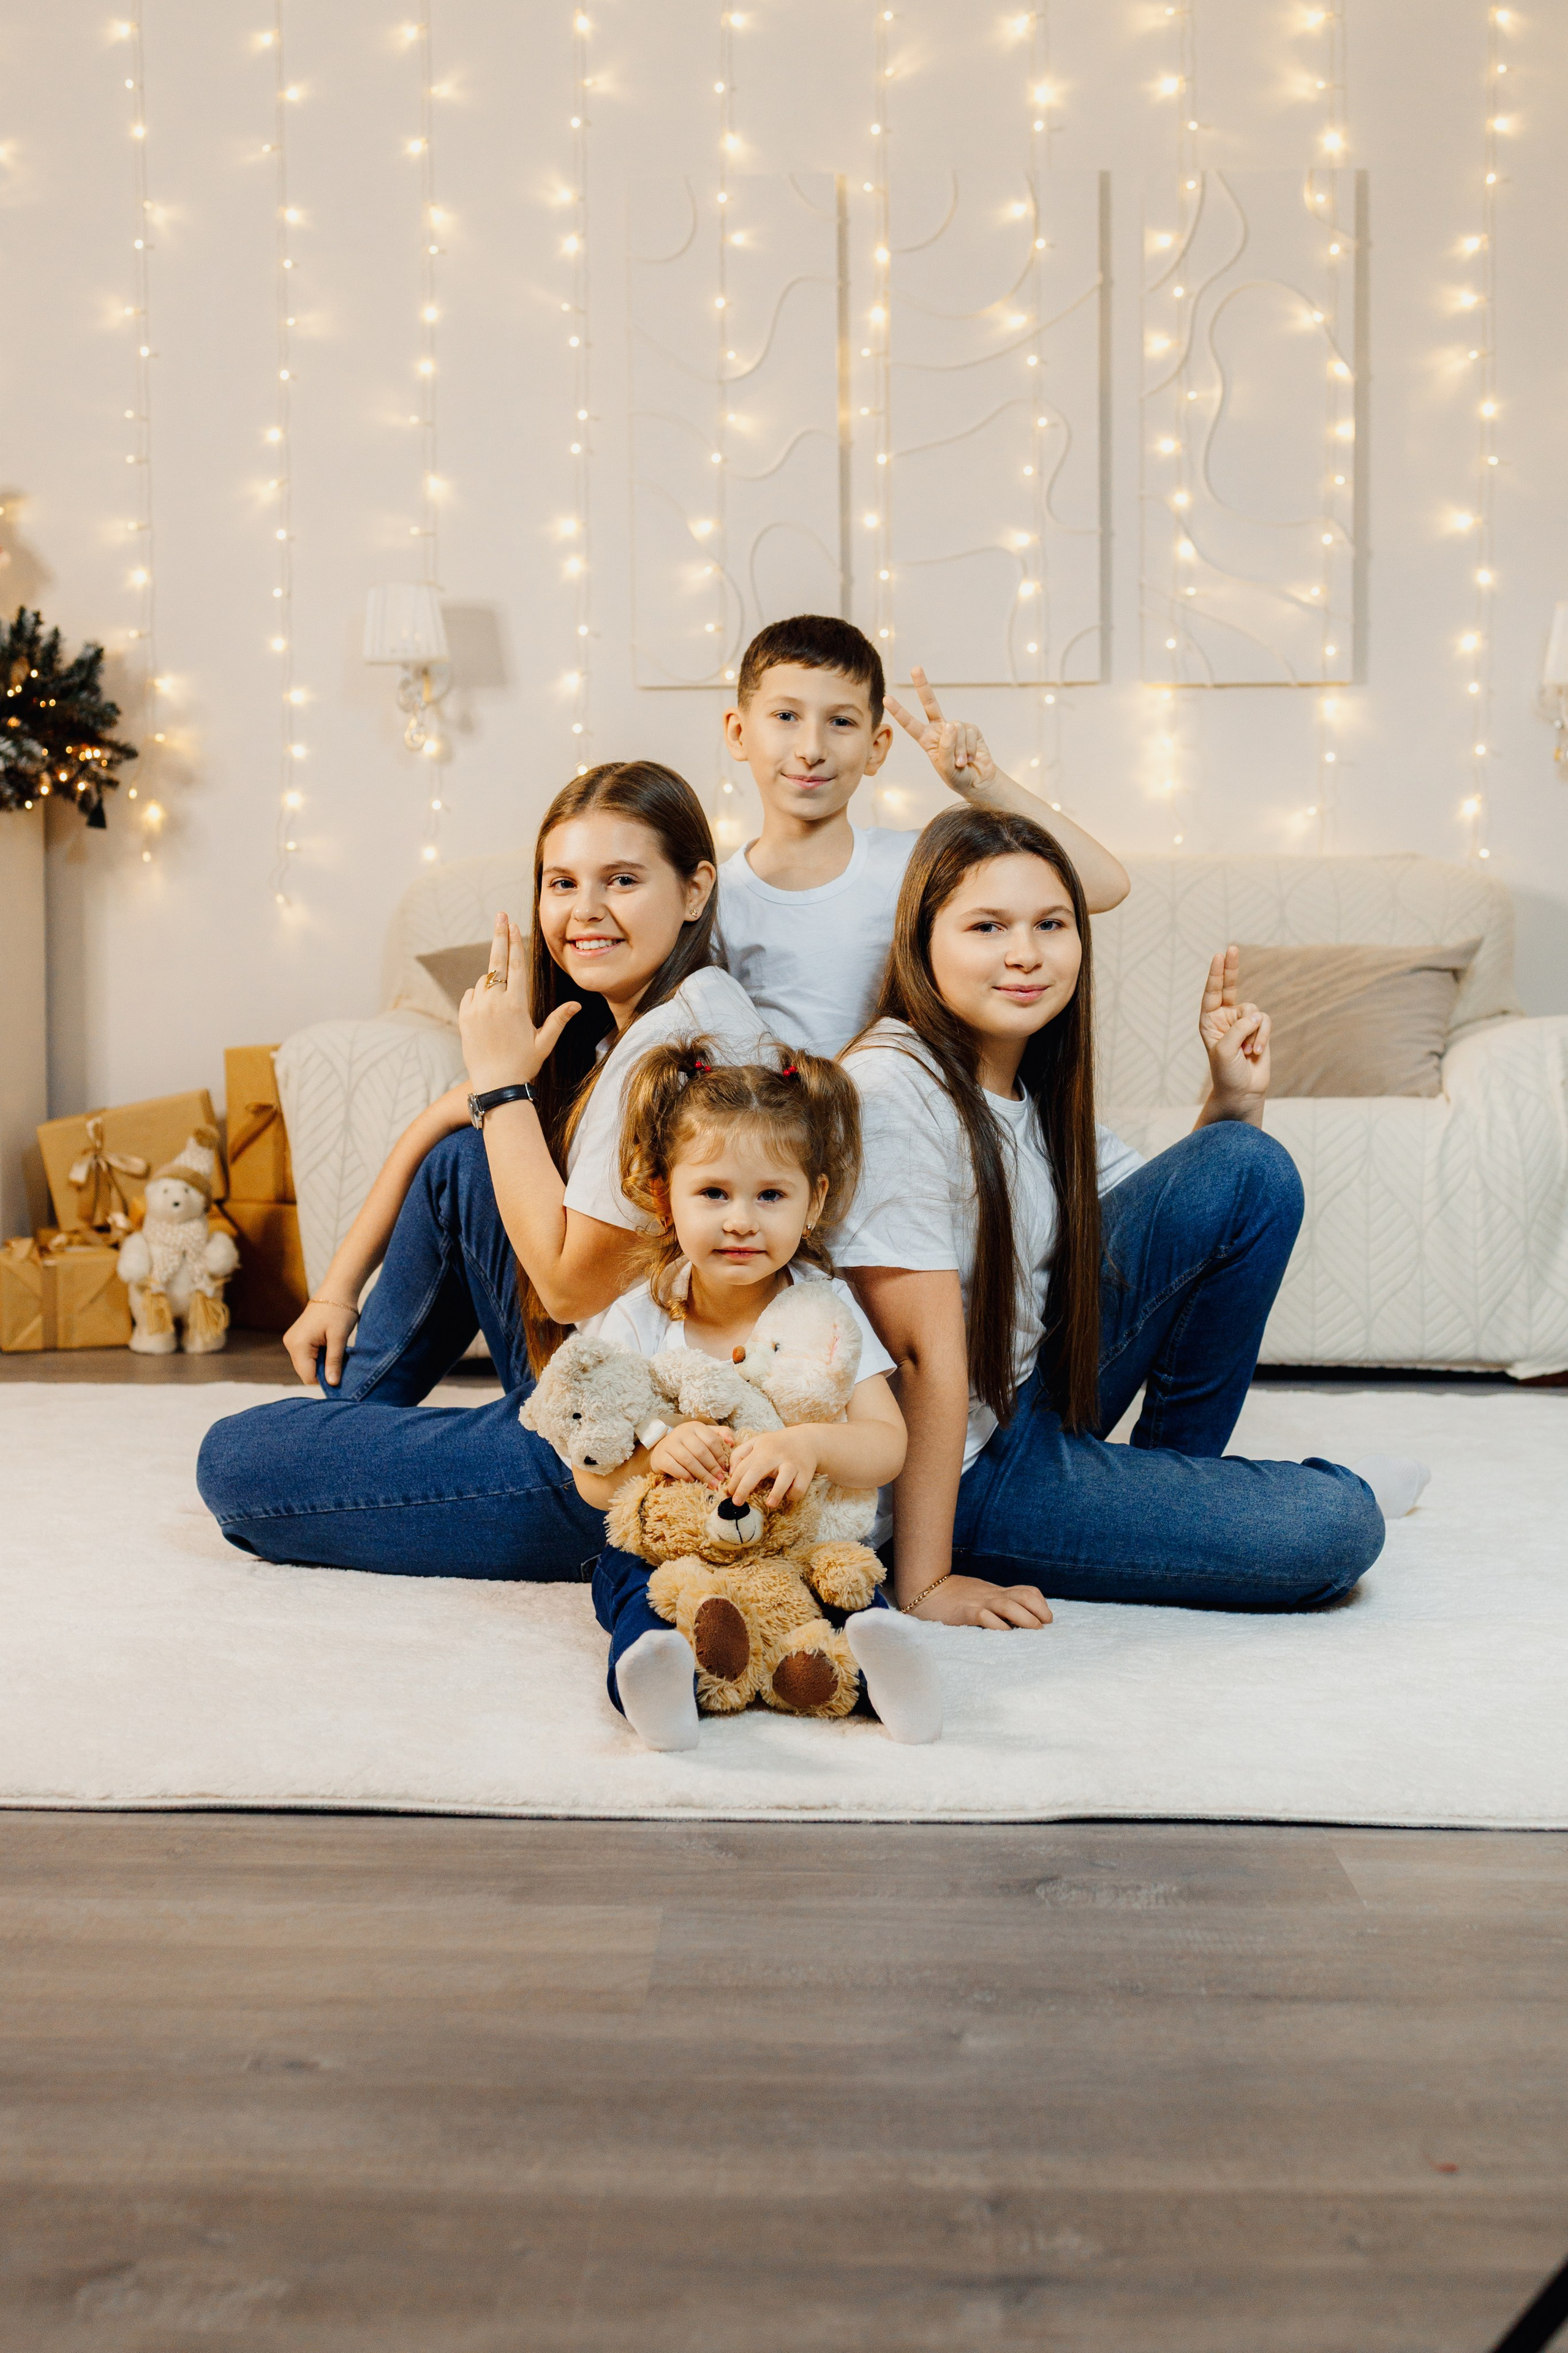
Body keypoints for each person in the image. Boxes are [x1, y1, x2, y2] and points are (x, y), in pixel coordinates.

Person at [835, 800, 1420, 1630]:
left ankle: (1170, 1497)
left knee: (1249, 1167)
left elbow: (1186, 1241)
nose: (1026, 955)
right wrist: (924, 1583)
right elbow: (925, 1358)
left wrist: (1231, 1095)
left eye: (1052, 924)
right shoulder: (893, 1090)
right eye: (987, 927)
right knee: (1338, 1526)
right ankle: (1222, 1507)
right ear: (923, 942)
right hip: (957, 1473)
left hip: (1023, 1400)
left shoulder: (1028, 1094)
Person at [197, 761, 772, 1579]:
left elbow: (571, 1290)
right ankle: (347, 1435)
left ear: (693, 889)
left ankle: (340, 1454)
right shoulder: (652, 1017)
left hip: (627, 1454)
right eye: (562, 883)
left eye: (623, 879)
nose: (585, 911)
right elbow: (445, 1131)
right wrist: (335, 1291)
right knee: (467, 1160)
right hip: (603, 1374)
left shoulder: (669, 1052)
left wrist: (504, 1086)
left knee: (235, 1459)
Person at [569, 1040, 939, 1752]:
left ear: (815, 1201)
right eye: (713, 1193)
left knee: (845, 1589)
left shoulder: (826, 1313)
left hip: (798, 1549)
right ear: (662, 1197)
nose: (741, 1220)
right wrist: (655, 1452)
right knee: (623, 1584)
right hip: (674, 1560)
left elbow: (887, 1446)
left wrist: (809, 1443)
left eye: (770, 1195)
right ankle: (659, 1681)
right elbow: (589, 1480)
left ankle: (880, 1675)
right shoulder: (640, 1316)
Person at [716, 613, 1130, 1059]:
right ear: (739, 734)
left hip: (914, 1116)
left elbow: (1104, 885)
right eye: (786, 716)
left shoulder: (917, 863)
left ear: (877, 747)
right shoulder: (712, 897)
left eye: (841, 722)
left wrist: (983, 788)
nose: (812, 749)